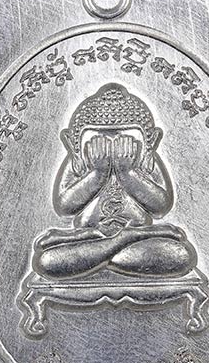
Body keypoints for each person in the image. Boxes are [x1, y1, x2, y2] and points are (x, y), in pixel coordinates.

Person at [32, 84, 197, 280]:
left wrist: (128, 172)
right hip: (91, 238)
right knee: (45, 261)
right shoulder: (78, 161)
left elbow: (160, 206)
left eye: (126, 141)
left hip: (130, 244)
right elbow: (65, 207)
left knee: (181, 255)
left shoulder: (146, 160)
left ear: (151, 141)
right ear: (72, 144)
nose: (112, 150)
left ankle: (100, 257)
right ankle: (122, 241)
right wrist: (97, 173)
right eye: (97, 142)